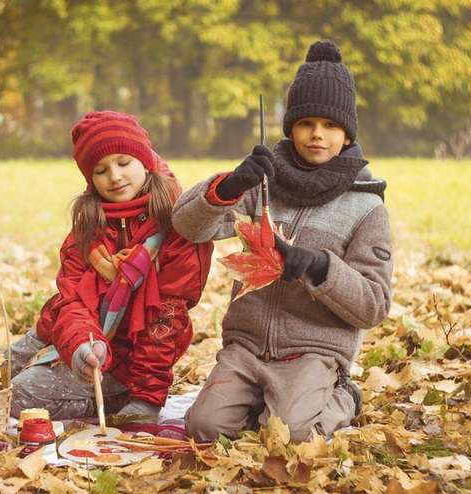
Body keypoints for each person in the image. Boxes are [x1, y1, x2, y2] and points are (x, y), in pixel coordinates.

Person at [172, 40, 393, 442]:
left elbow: (374, 305)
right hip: (246, 347)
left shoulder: (366, 208)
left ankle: (342, 396)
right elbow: (188, 226)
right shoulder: (261, 185)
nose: (317, 135)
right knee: (204, 428)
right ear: (290, 128)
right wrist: (229, 185)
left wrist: (319, 267)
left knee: (292, 434)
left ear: (347, 135)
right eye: (306, 123)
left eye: (330, 125)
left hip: (313, 352)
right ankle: (260, 400)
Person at [9, 111, 213, 423]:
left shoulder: (176, 225)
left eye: (124, 162)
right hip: (83, 341)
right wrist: (82, 345)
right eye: (101, 170)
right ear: (91, 180)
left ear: (145, 162)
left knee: (20, 393)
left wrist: (147, 398)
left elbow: (166, 319)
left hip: (138, 355)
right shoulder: (88, 230)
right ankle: (68, 373)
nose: (115, 176)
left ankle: (119, 396)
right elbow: (73, 300)